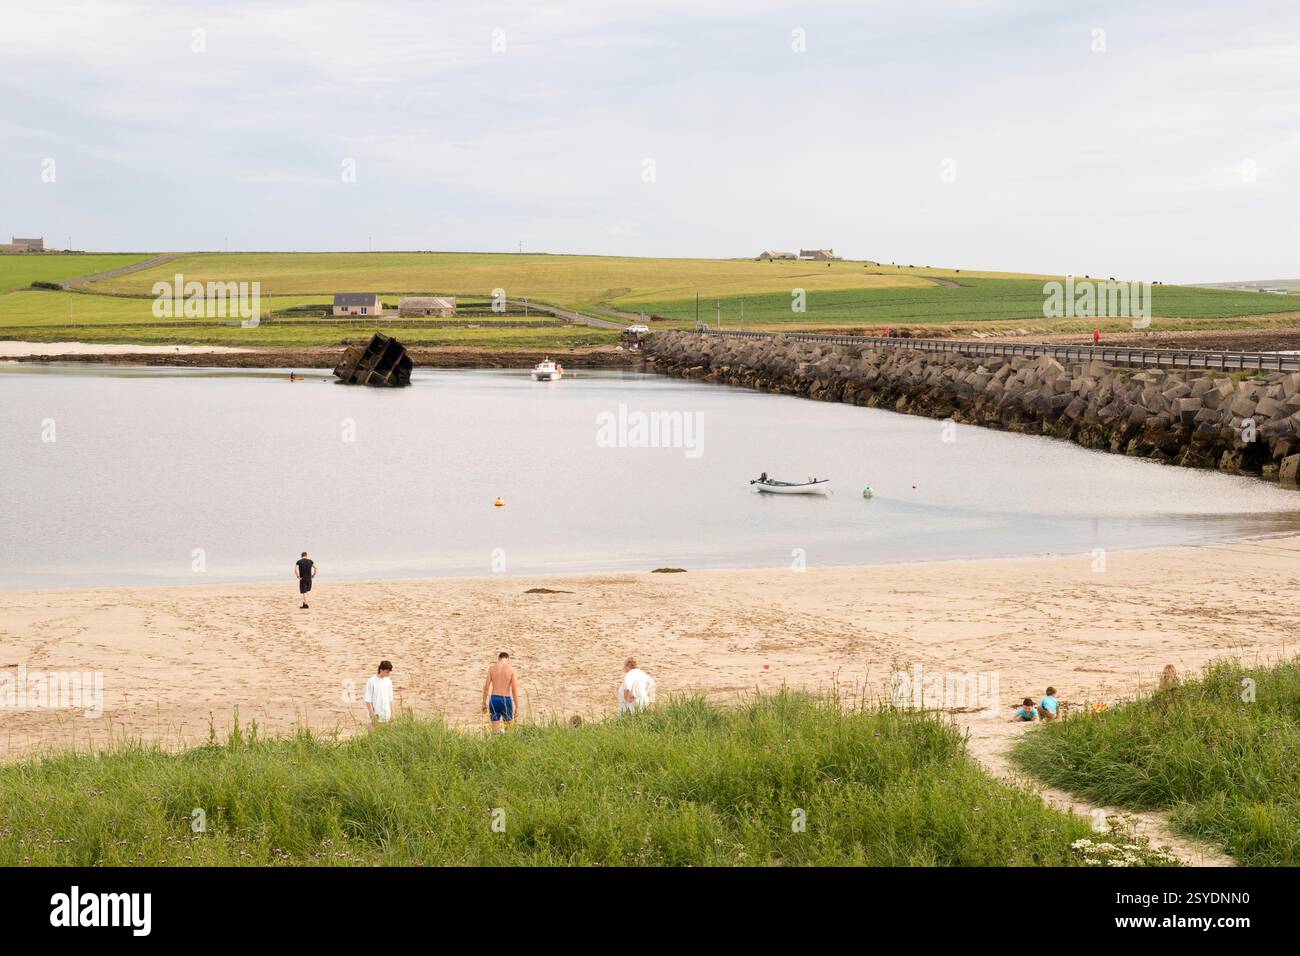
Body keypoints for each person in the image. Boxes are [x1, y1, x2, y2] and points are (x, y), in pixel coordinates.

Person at [482, 651, 520, 734]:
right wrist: (517, 706)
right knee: (509, 731)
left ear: (498, 658)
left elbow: (486, 687)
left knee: (495, 732)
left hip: (494, 699)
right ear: (507, 659)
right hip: (506, 700)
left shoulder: (492, 668)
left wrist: (484, 702)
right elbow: (514, 689)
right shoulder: (512, 669)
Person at [364, 660, 394, 727]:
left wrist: (392, 714)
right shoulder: (371, 681)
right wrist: (372, 714)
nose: (388, 674)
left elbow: (390, 698)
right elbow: (368, 700)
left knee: (386, 736)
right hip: (375, 714)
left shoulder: (388, 681)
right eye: (387, 672)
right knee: (372, 736)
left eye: (389, 672)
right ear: (381, 670)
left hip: (387, 714)